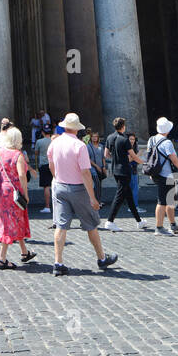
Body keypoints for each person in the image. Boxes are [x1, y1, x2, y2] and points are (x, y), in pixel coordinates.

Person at [47, 113, 117, 277]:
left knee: (61, 225)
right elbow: (85, 173)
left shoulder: (54, 143)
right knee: (90, 224)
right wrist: (93, 198)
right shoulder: (79, 146)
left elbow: (51, 165)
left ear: (64, 127)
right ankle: (101, 258)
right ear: (78, 129)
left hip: (59, 186)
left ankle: (58, 262)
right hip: (78, 188)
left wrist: (57, 178)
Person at [0, 127, 36, 269]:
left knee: (13, 219)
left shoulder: (0, 153)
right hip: (15, 191)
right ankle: (2, 258)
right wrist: (26, 194)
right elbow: (22, 176)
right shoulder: (18, 155)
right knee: (11, 222)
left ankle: (24, 252)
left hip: (2, 190)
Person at [147, 117, 178, 235]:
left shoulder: (151, 139)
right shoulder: (167, 142)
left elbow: (149, 156)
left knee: (170, 200)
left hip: (157, 174)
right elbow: (174, 160)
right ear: (168, 130)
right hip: (167, 175)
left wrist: (152, 172)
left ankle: (173, 225)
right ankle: (159, 227)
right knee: (162, 201)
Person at [102, 117, 144, 231]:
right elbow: (134, 156)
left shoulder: (110, 137)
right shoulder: (124, 139)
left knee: (128, 195)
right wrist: (145, 163)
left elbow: (106, 154)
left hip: (115, 169)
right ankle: (110, 221)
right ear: (123, 126)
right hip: (124, 170)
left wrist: (116, 158)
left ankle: (139, 221)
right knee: (120, 196)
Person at [33, 126, 55, 214]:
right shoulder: (54, 141)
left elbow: (36, 152)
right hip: (53, 164)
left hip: (44, 164)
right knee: (56, 185)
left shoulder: (39, 141)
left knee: (46, 186)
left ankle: (47, 206)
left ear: (42, 132)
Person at [85, 128, 106, 206]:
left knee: (99, 185)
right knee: (96, 184)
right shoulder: (88, 146)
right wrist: (96, 166)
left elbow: (103, 157)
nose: (94, 138)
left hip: (100, 167)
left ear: (98, 138)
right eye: (93, 136)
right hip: (92, 168)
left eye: (96, 137)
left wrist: (104, 166)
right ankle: (95, 201)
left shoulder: (101, 146)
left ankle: (99, 200)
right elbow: (88, 158)